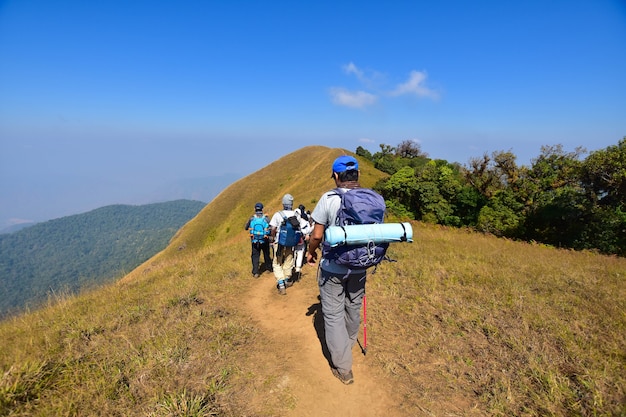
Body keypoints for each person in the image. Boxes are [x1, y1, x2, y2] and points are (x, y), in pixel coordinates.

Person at [306, 155, 368, 385]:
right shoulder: (370, 198)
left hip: (333, 268)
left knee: (332, 315)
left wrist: (311, 252)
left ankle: (343, 367)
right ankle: (346, 346)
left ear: (335, 175)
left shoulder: (328, 199)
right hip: (360, 267)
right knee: (353, 308)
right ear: (358, 174)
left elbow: (317, 235)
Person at [269, 194, 300, 295]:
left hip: (279, 242)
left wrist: (272, 239)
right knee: (289, 260)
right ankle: (287, 279)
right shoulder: (296, 215)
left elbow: (273, 229)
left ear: (283, 203)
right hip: (291, 243)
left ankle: (281, 284)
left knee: (277, 262)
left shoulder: (278, 214)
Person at [244, 202, 271, 278]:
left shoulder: (252, 218)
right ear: (262, 209)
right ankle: (268, 268)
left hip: (254, 240)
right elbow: (271, 226)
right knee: (266, 254)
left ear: (255, 209)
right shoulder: (266, 218)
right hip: (264, 239)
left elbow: (246, 227)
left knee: (255, 255)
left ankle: (256, 272)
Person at [293, 204, 312, 280]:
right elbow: (308, 230)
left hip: (293, 240)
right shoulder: (304, 222)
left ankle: (293, 266)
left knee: (293, 252)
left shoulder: (291, 221)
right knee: (300, 253)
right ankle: (297, 268)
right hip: (301, 239)